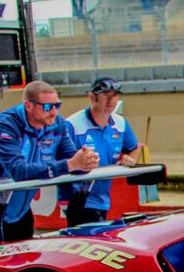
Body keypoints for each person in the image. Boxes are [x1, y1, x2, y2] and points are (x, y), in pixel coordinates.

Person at [0, 80, 99, 242]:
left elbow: (72, 159)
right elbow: (18, 171)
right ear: (28, 106)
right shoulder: (3, 125)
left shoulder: (57, 124)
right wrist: (70, 165)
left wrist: (87, 161)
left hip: (20, 206)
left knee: (24, 260)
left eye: (57, 105)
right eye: (46, 107)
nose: (53, 112)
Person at [59, 76, 140, 227]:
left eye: (114, 95)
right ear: (92, 97)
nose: (111, 100)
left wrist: (131, 159)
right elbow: (60, 160)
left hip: (103, 198)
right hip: (77, 197)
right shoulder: (72, 124)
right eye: (105, 95)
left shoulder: (120, 123)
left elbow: (134, 148)